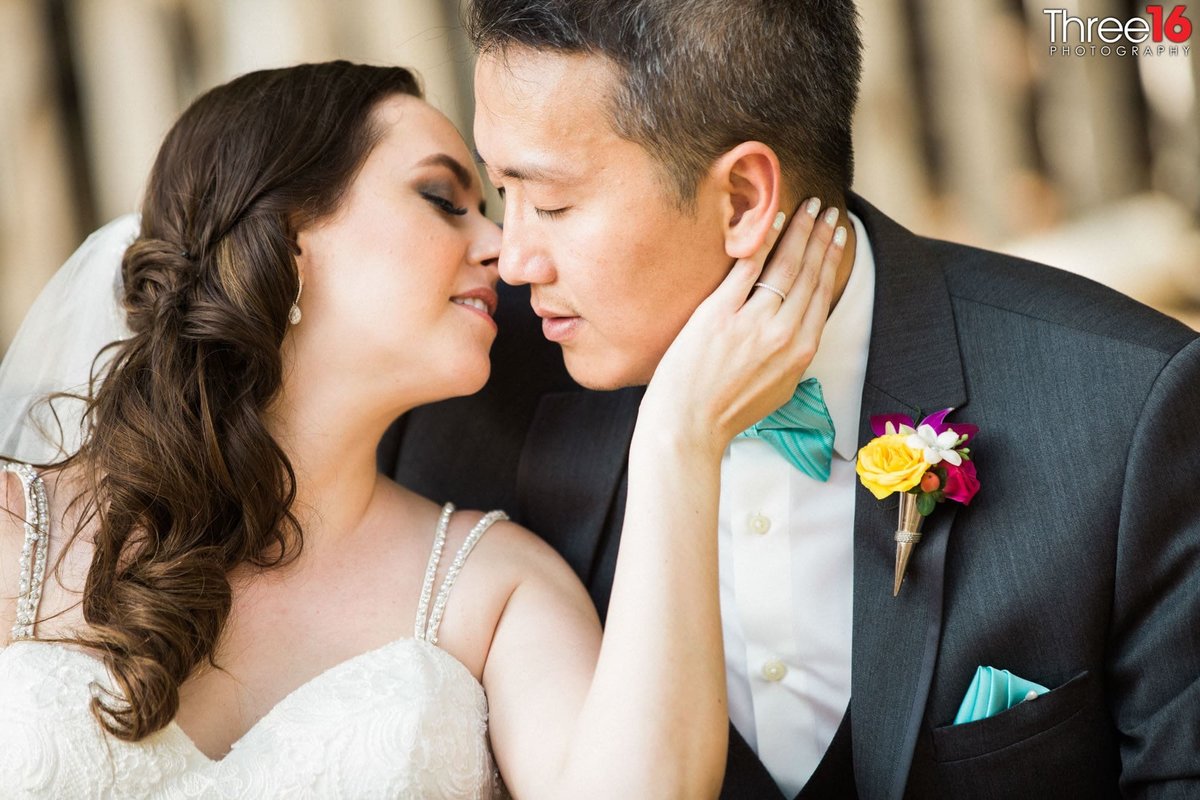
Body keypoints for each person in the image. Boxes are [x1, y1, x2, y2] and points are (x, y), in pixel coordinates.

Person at [384, 2, 1200, 798]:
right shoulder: (463, 409)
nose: (515, 259)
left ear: (742, 198)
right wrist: (677, 440)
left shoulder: (1127, 410)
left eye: (553, 204)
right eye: (501, 193)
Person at [0, 60, 848, 798]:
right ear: (285, 236)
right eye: (446, 199)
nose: (504, 252)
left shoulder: (498, 589)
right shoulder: (14, 530)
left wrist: (680, 438)